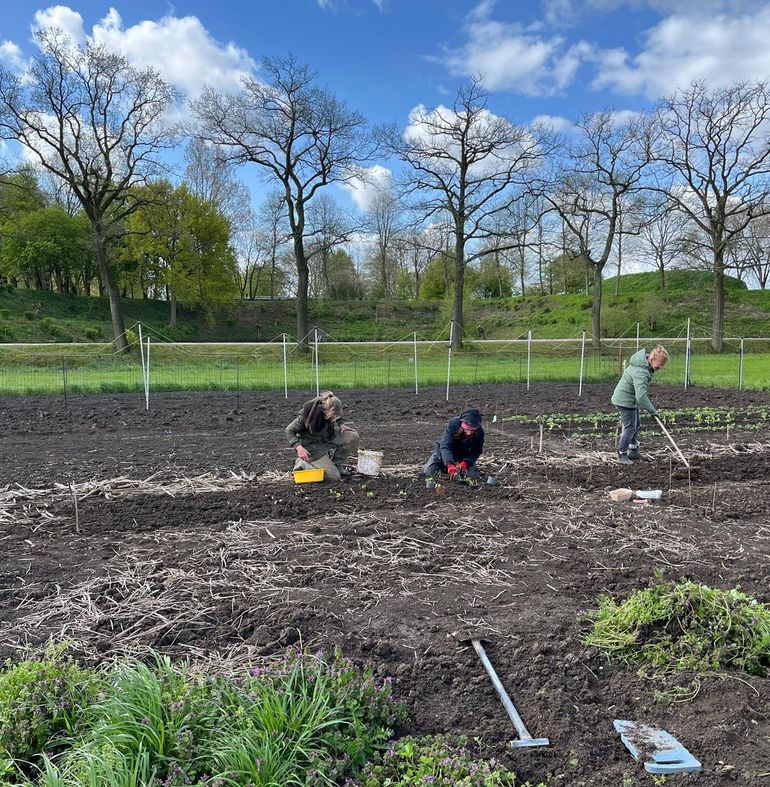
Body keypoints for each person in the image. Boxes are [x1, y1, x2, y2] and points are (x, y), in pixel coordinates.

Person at [611, 345, 669, 465]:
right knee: (629, 427)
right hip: (624, 400)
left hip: (630, 399)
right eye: (660, 364)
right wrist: (653, 411)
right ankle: (622, 454)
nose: (661, 367)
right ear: (652, 359)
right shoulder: (641, 372)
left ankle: (633, 450)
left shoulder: (644, 365)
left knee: (636, 425)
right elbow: (641, 396)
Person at [285, 391, 360, 480]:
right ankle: (302, 463)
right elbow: (289, 430)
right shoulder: (307, 415)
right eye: (332, 417)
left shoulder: (330, 402)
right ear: (326, 411)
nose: (333, 419)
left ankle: (337, 464)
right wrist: (298, 447)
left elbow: (338, 413)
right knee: (334, 477)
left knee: (352, 437)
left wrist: (341, 424)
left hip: (327, 436)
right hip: (312, 447)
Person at [423, 408, 484, 479]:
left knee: (471, 476)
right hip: (443, 453)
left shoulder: (480, 432)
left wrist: (465, 462)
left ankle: (454, 468)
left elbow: (476, 452)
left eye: (472, 430)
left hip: (463, 456)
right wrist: (449, 464)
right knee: (429, 472)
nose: (469, 432)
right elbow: (445, 446)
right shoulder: (452, 425)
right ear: (462, 424)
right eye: (467, 429)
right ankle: (445, 467)